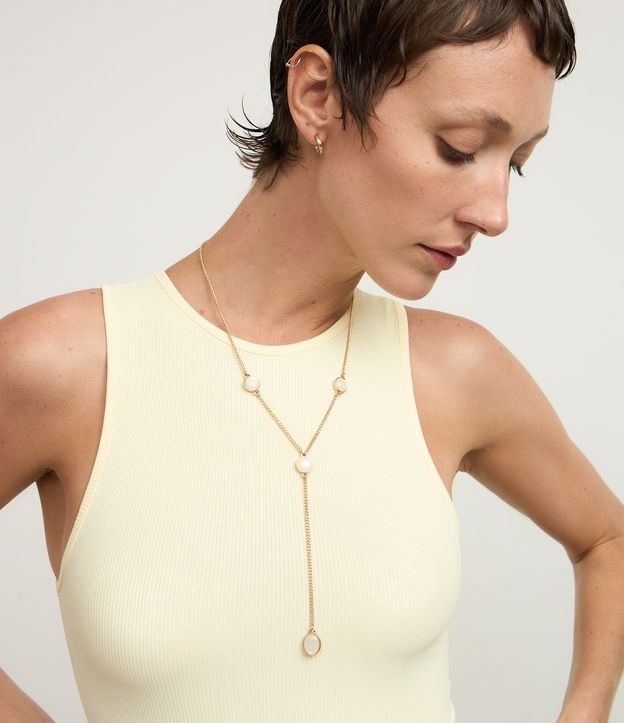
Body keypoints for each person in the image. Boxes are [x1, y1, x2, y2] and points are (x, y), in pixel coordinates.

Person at [1, 1, 623, 721]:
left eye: (515, 163)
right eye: (460, 147)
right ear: (318, 96)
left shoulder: (457, 372)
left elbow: (607, 538)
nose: (495, 212)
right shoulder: (67, 366)